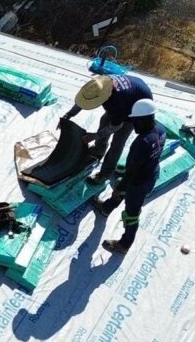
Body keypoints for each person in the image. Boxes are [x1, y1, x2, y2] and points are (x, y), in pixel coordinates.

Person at [92, 100, 162, 255]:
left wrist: (119, 187)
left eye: (135, 121)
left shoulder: (143, 142)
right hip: (150, 173)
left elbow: (131, 172)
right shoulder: (160, 130)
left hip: (139, 182)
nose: (133, 124)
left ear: (143, 120)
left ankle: (125, 244)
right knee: (125, 192)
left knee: (131, 214)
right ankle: (106, 207)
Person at [62, 73, 154, 182]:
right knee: (104, 122)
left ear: (103, 98)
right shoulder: (98, 85)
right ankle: (98, 151)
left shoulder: (117, 101)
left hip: (136, 108)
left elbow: (116, 126)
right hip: (128, 96)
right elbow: (82, 102)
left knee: (117, 143)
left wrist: (95, 136)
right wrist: (67, 116)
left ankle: (105, 173)